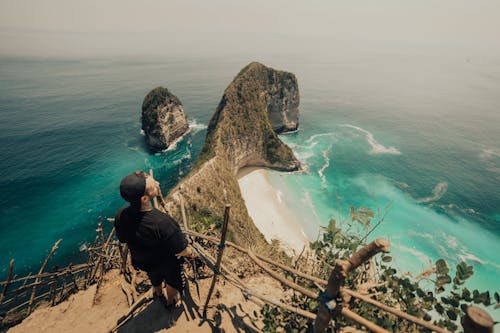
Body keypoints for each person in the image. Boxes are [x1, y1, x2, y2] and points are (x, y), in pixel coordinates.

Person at [114, 170, 195, 307]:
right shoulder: (163, 223)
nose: (157, 183)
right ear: (144, 199)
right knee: (172, 282)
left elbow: (122, 239)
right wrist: (191, 253)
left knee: (154, 277)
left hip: (143, 261)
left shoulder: (121, 215)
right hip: (166, 263)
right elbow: (181, 249)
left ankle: (158, 294)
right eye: (153, 185)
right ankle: (170, 301)